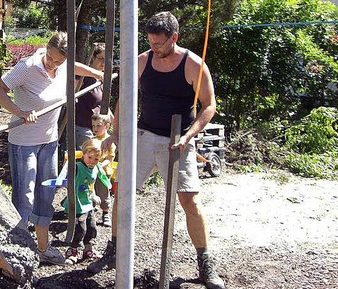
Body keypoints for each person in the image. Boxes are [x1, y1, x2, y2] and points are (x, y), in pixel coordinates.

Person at [87, 11, 226, 289]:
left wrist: (188, 136)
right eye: (150, 42)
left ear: (174, 37)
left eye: (159, 43)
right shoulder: (143, 61)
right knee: (122, 192)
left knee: (190, 201)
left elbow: (209, 105)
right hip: (144, 135)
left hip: (178, 140)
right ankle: (114, 250)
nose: (154, 47)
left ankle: (205, 263)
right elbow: (125, 97)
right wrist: (115, 133)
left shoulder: (193, 65)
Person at [0, 31, 104, 265]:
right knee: (25, 197)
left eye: (59, 61)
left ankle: (43, 248)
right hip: (24, 143)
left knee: (46, 194)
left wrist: (96, 73)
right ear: (46, 49)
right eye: (51, 58)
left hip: (49, 142)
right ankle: (14, 255)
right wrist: (20, 112)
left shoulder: (63, 66)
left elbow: (76, 66)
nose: (53, 63)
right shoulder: (28, 66)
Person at [61, 138, 111, 264]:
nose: (92, 161)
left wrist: (93, 195)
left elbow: (91, 184)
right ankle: (72, 250)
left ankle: (88, 248)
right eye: (90, 157)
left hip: (88, 203)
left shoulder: (95, 168)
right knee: (80, 227)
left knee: (92, 226)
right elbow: (69, 180)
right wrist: (66, 183)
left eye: (96, 159)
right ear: (84, 153)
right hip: (77, 203)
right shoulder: (77, 167)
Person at [91, 112, 116, 227]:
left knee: (103, 193)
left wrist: (101, 165)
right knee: (91, 190)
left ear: (106, 126)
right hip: (92, 171)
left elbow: (111, 157)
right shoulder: (92, 140)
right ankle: (90, 213)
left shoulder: (109, 140)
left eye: (98, 125)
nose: (95, 128)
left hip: (103, 173)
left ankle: (105, 213)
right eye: (93, 126)